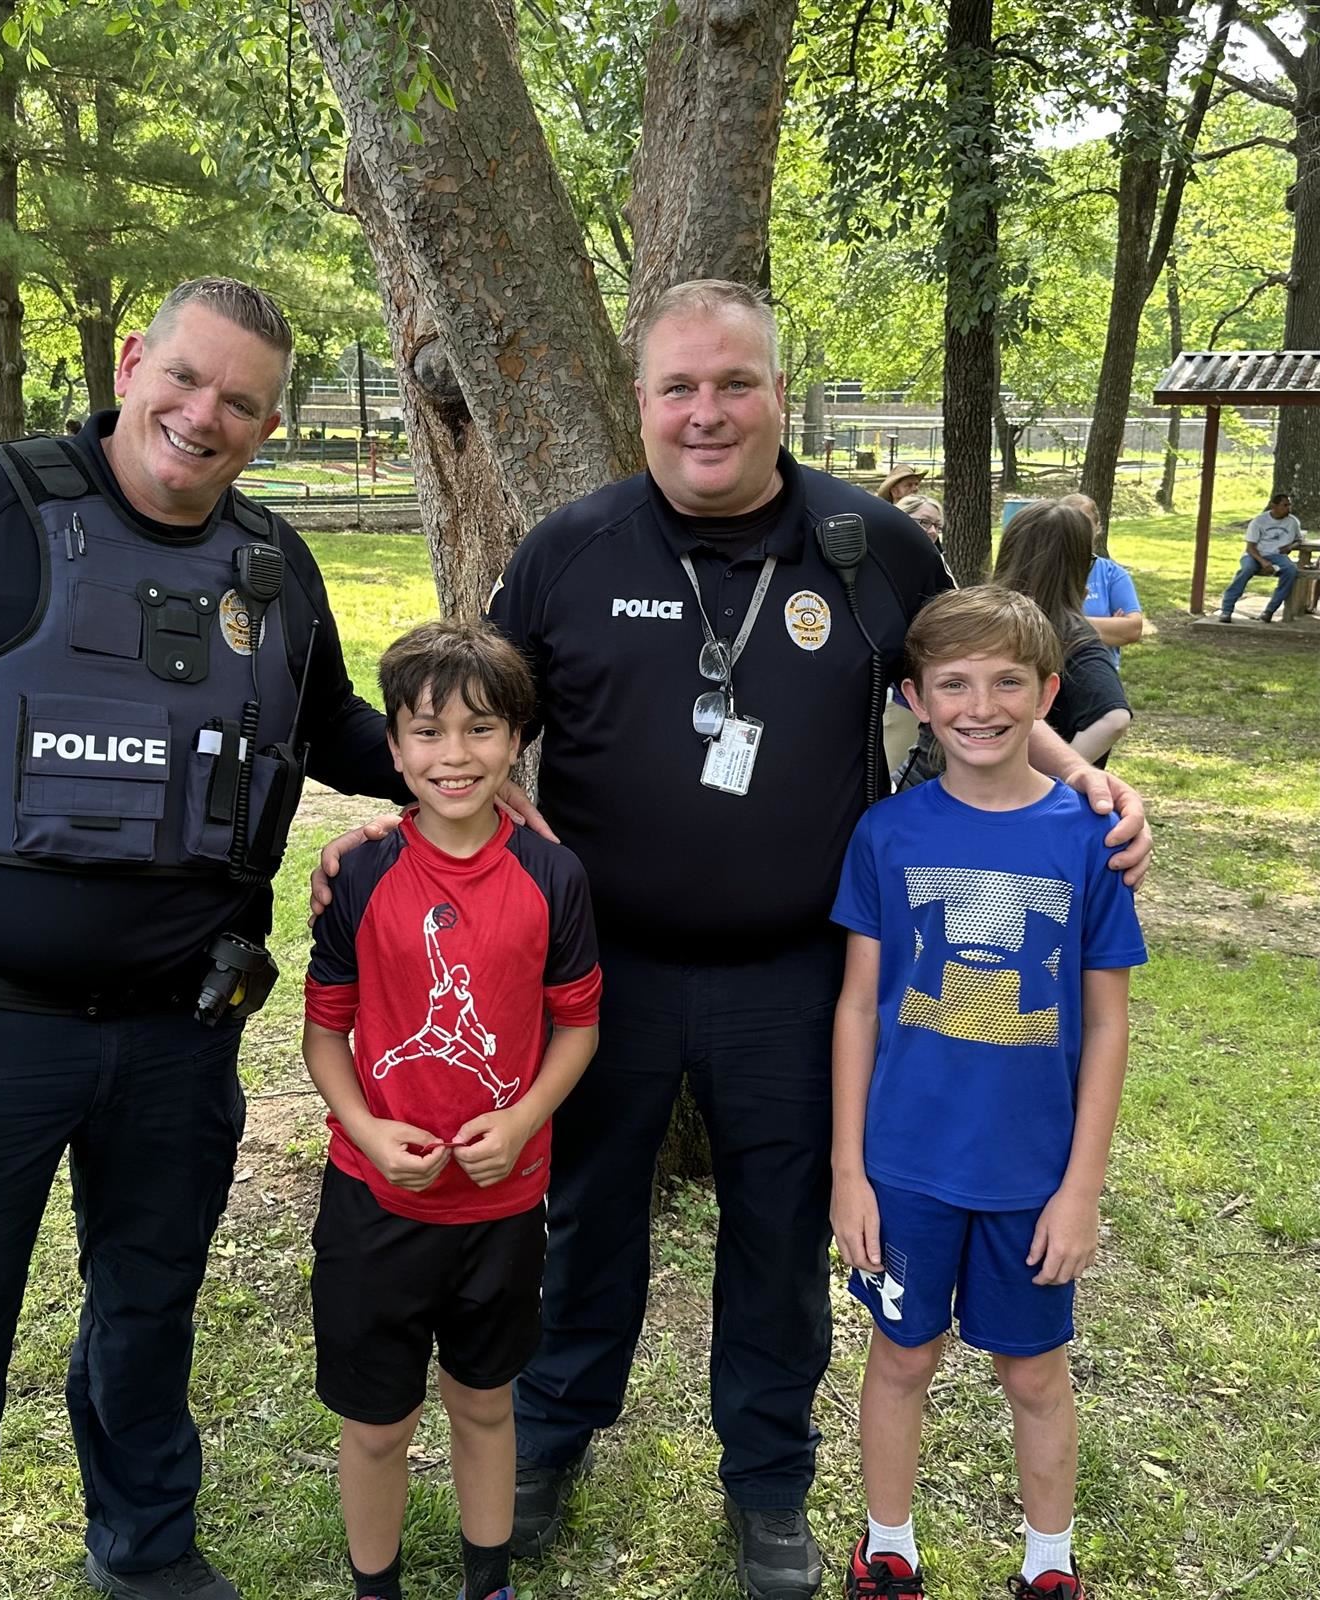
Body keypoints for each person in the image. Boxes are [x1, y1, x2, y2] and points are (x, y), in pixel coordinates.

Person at [314, 280, 1150, 1600]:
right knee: (585, 1219)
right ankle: (551, 1439)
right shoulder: (571, 550)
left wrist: (1081, 780)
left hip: (801, 971)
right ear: (642, 404)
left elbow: (965, 675)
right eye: (679, 388)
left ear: (777, 390)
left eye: (736, 383)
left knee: (778, 1232)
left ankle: (767, 1481)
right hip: (602, 977)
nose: (708, 412)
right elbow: (467, 722)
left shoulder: (868, 545)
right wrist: (385, 833)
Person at [0, 278, 422, 1600]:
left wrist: (453, 766)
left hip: (181, 1032)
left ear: (270, 422)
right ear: (132, 362)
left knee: (147, 1313)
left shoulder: (274, 567)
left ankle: (147, 1552)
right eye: (183, 378)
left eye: (238, 401)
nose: (201, 415)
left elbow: (330, 721)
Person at [830, 585, 1145, 1600]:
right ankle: (888, 1546)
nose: (980, 705)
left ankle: (1048, 1565)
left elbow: (1104, 1020)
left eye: (1008, 680)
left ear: (1048, 691)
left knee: (1032, 1373)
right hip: (905, 1166)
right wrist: (849, 1171)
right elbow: (857, 1007)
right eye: (953, 683)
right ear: (915, 698)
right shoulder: (886, 834)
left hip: (1030, 1173)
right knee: (900, 1355)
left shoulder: (1085, 836)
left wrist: (1080, 1187)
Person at [303, 620, 601, 1600]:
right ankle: (374, 1585)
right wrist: (363, 1126)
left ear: (516, 741)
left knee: (483, 1405)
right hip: (374, 1206)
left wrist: (518, 1125)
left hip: (501, 1208)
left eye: (479, 731)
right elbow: (325, 1033)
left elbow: (577, 1030)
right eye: (426, 733)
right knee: (378, 1425)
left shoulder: (553, 877)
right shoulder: (362, 875)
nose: (454, 755)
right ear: (392, 750)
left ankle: (488, 1581)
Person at [995, 500, 1132, 767]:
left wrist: (1051, 783)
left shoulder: (985, 619)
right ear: (1077, 567)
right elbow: (1113, 719)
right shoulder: (1069, 633)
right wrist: (1058, 777)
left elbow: (1113, 719)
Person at [885, 497, 947, 775]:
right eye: (923, 523)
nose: (932, 531)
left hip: (912, 693)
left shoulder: (937, 568)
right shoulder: (881, 566)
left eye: (937, 525)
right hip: (887, 691)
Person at [1061, 493, 1143, 668]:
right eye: (1070, 525)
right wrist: (1109, 627)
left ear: (1097, 527)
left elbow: (1132, 630)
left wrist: (1063, 622)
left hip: (1099, 673)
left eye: (1084, 525)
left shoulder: (1112, 574)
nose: (1077, 533)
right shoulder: (1045, 570)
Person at [1218, 491, 1302, 622]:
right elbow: (1250, 547)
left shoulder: (1293, 522)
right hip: (1255, 554)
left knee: (1291, 570)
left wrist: (1290, 547)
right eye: (1284, 505)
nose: (1288, 508)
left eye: (1289, 505)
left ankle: (1269, 611)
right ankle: (1226, 610)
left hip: (1277, 555)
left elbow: (1299, 539)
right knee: (1246, 570)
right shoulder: (1259, 521)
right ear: (1273, 506)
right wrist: (1263, 562)